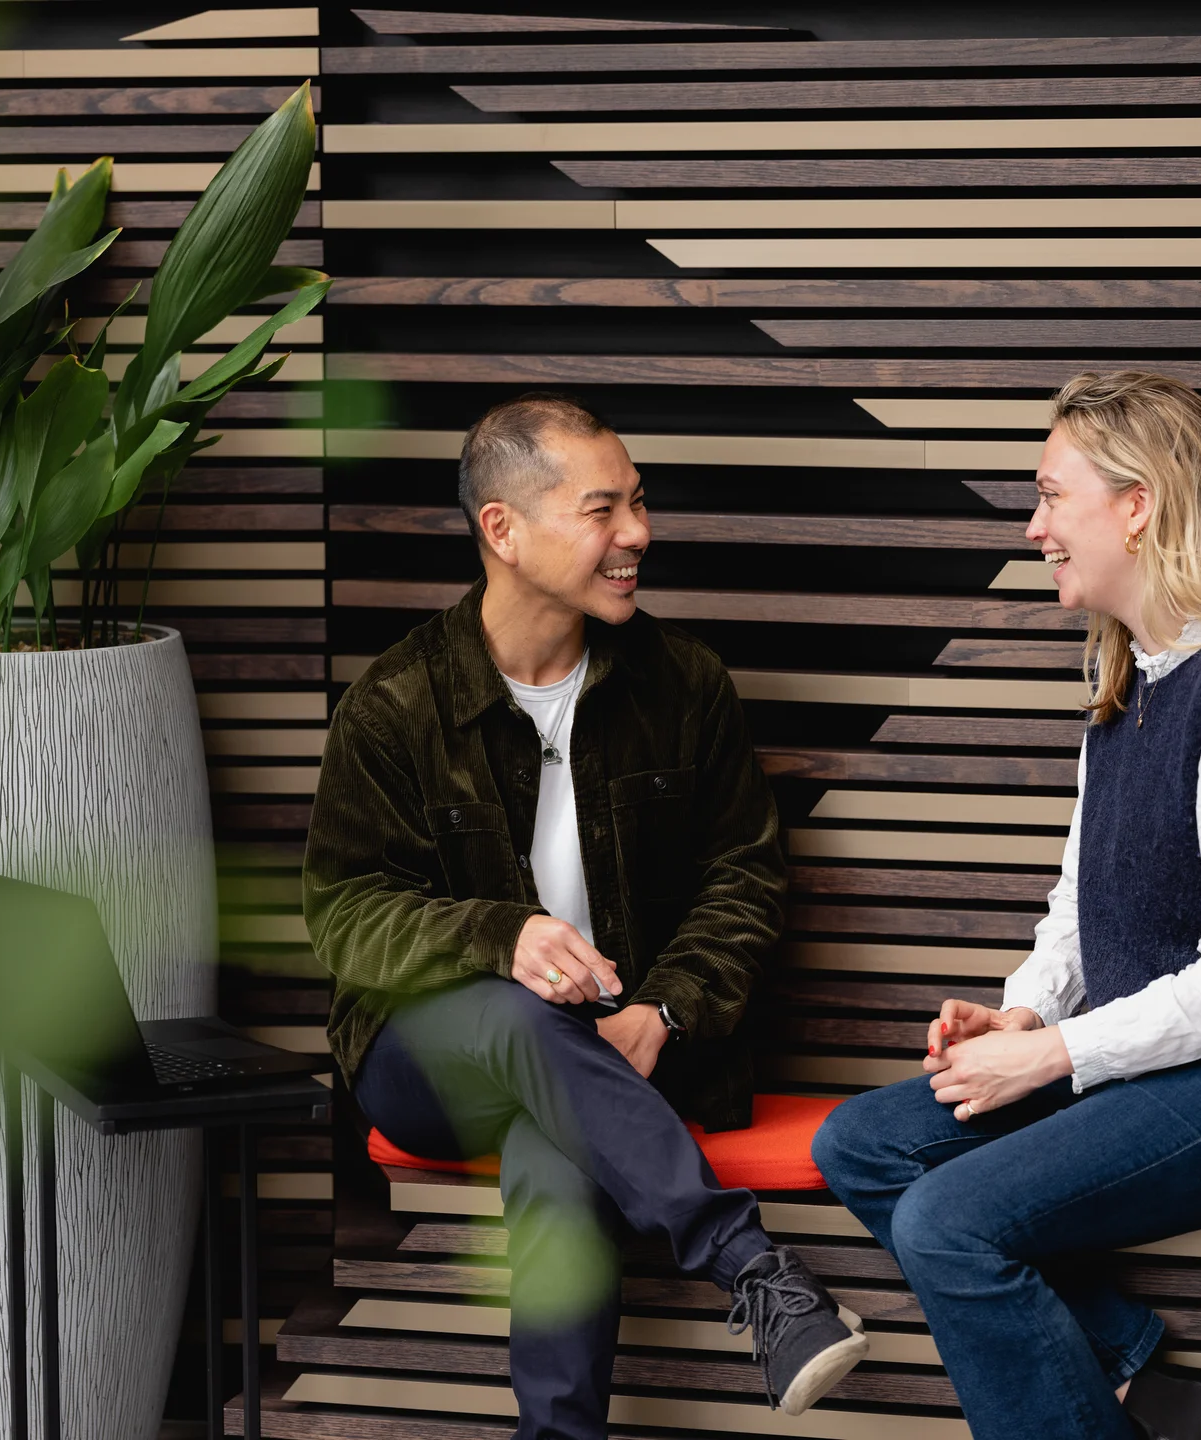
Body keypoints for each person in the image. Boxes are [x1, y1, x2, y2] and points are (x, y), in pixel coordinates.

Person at [812, 371, 1201, 1440]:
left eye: (1050, 495)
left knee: (948, 1222)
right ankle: (1137, 1380)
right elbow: (1080, 906)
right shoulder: (1127, 685)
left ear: (1137, 505)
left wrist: (1052, 1058)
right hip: (1191, 1058)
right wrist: (1027, 1015)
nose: (1035, 526)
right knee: (863, 1144)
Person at [303, 393, 868, 1440]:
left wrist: (665, 1010)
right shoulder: (396, 704)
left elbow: (744, 877)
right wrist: (498, 937)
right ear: (502, 531)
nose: (638, 536)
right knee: (521, 1027)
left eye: (640, 505)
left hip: (612, 1053)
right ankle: (748, 1264)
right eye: (604, 511)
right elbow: (345, 914)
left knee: (552, 1136)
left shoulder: (682, 682)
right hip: (427, 1056)